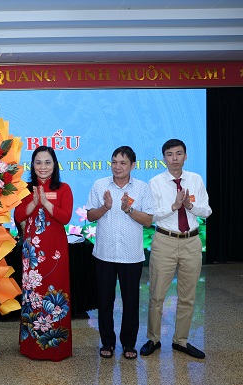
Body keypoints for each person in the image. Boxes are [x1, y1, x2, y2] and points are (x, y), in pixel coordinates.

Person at [140, 139, 212, 359]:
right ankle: (153, 339)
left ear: (185, 156)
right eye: (170, 154)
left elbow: (207, 211)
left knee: (188, 296)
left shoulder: (196, 179)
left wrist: (189, 206)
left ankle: (181, 340)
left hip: (191, 241)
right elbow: (151, 215)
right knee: (157, 295)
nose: (174, 158)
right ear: (164, 158)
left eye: (178, 153)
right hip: (165, 241)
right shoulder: (155, 182)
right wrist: (174, 206)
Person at [86, 146, 154, 360]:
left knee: (131, 302)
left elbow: (148, 220)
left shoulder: (142, 188)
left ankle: (129, 343)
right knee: (104, 301)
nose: (118, 167)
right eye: (114, 162)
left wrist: (128, 210)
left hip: (131, 255)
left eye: (123, 163)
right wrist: (105, 207)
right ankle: (107, 342)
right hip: (104, 254)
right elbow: (90, 216)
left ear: (132, 165)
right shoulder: (100, 185)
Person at [14, 146, 73, 361]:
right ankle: (32, 347)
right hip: (32, 253)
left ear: (54, 165)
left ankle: (57, 347)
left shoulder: (63, 188)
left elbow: (66, 217)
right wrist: (33, 203)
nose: (43, 167)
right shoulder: (25, 189)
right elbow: (18, 215)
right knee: (33, 296)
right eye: (38, 162)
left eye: (47, 162)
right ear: (32, 165)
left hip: (56, 252)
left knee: (55, 294)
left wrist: (46, 203)